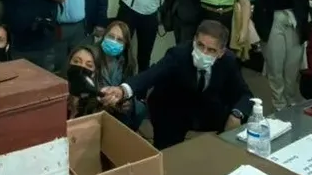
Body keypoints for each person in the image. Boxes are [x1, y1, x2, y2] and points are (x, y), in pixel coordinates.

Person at [99, 20, 254, 150]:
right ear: (194, 40)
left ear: (221, 52)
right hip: (171, 108)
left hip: (206, 108)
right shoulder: (178, 54)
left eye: (211, 50)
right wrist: (122, 90)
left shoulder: (228, 61)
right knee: (168, 154)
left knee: (232, 134)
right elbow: (151, 75)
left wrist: (237, 114)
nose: (203, 53)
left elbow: (245, 95)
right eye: (200, 45)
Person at [252, 0, 312, 110]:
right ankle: (279, 103)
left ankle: (290, 99)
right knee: (275, 64)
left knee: (292, 65)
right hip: (273, 20)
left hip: (294, 20)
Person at [94, 20, 146, 130]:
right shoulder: (91, 55)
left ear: (125, 45)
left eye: (119, 40)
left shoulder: (128, 62)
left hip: (118, 105)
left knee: (139, 109)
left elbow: (130, 87)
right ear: (104, 36)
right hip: (96, 103)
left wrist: (127, 102)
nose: (114, 41)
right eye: (111, 36)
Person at [66, 44, 100, 119]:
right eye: (76, 61)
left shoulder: (96, 104)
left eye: (89, 65)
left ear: (94, 73)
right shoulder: (57, 93)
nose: (81, 67)